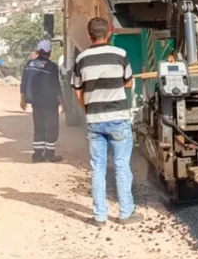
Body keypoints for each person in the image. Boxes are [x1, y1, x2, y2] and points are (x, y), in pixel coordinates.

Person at [72, 18, 138, 227]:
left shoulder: (81, 58)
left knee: (98, 168)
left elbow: (77, 91)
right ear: (109, 33)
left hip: (94, 121)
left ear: (89, 35)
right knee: (121, 165)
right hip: (118, 119)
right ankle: (126, 213)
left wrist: (87, 111)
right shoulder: (120, 55)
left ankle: (100, 217)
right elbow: (128, 82)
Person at [20, 39, 63, 162]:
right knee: (52, 128)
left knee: (39, 128)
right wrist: (62, 103)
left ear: (38, 51)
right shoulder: (51, 67)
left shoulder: (30, 64)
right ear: (49, 52)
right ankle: (50, 154)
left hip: (36, 103)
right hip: (49, 103)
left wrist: (22, 99)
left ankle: (37, 155)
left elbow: (23, 82)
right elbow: (56, 86)